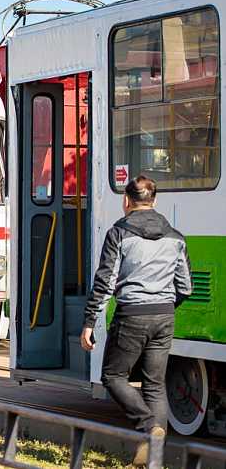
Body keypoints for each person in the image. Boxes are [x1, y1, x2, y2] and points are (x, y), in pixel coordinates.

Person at [80, 175, 192, 466]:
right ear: (154, 202)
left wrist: (90, 322)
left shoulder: (119, 233)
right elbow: (186, 287)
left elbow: (105, 282)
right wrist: (166, 303)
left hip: (132, 314)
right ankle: (154, 458)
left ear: (126, 201)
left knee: (113, 377)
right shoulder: (175, 237)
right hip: (165, 314)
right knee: (154, 384)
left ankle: (146, 426)